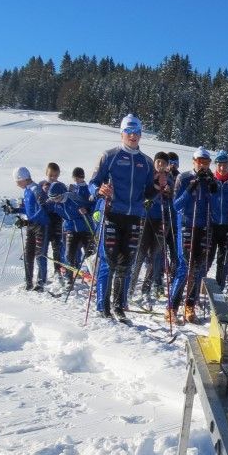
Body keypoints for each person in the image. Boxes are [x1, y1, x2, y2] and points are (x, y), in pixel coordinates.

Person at [87, 114, 156, 322]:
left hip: (134, 216)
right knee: (109, 262)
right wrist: (100, 189)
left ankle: (119, 306)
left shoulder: (146, 162)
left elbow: (148, 191)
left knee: (125, 263)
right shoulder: (109, 156)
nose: (133, 136)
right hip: (112, 213)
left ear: (141, 134)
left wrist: (159, 189)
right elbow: (93, 183)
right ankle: (103, 306)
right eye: (129, 132)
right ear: (122, 134)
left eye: (136, 132)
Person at [166, 148, 214, 324]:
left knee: (200, 269)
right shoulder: (183, 178)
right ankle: (171, 308)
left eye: (206, 162)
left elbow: (215, 206)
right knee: (185, 268)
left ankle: (190, 305)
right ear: (194, 161)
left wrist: (213, 188)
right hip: (187, 225)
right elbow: (176, 205)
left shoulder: (210, 179)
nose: (202, 165)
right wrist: (190, 188)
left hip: (204, 227)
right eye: (200, 161)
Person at [132, 151, 174, 308]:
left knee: (155, 255)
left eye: (164, 163)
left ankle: (146, 289)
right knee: (141, 253)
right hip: (146, 218)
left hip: (162, 219)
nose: (161, 165)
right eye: (159, 162)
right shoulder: (148, 176)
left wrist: (168, 192)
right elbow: (141, 192)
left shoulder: (169, 179)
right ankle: (130, 288)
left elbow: (173, 197)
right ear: (154, 163)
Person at [9, 166, 50, 292]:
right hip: (32, 226)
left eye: (17, 181)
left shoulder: (36, 190)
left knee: (39, 254)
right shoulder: (26, 190)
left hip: (41, 226)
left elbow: (43, 209)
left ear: (23, 179)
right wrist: (14, 210)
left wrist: (28, 220)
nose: (16, 184)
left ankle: (41, 283)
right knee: (28, 254)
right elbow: (29, 209)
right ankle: (28, 282)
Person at [205, 150, 228, 288]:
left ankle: (220, 287)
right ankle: (201, 285)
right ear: (216, 165)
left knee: (224, 260)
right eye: (219, 164)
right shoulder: (209, 181)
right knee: (207, 257)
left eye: (225, 164)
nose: (222, 168)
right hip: (211, 225)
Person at [57, 166, 94, 291]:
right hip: (72, 228)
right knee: (70, 254)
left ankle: (95, 278)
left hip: (85, 226)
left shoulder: (88, 189)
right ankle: (69, 278)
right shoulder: (71, 189)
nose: (78, 180)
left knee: (90, 255)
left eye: (80, 177)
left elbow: (93, 204)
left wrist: (87, 209)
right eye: (77, 178)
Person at [40, 162, 66, 286]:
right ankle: (42, 275)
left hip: (57, 219)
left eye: (55, 175)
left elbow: (65, 201)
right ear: (47, 173)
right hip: (44, 220)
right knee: (43, 248)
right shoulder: (41, 185)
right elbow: (38, 201)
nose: (53, 178)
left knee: (57, 246)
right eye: (51, 175)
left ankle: (58, 271)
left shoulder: (60, 186)